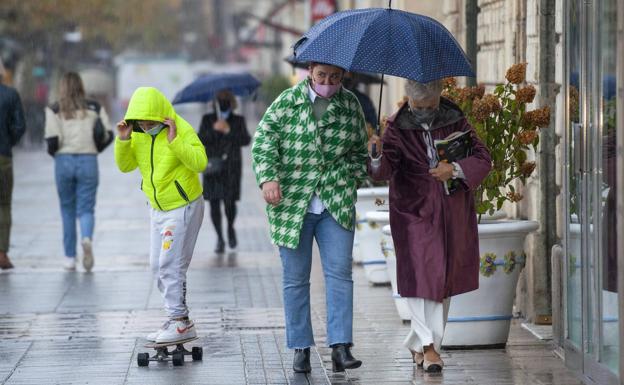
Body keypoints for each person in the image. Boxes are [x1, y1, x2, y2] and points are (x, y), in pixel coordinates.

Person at [368, 79, 491, 373]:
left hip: (452, 211)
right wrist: (376, 153)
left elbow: (483, 158)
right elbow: (384, 171)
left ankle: (420, 342)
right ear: (408, 101)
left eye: (430, 107)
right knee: (418, 277)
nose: (424, 112)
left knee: (442, 280)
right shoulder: (396, 127)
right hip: (413, 211)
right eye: (418, 107)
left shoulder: (455, 118)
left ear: (439, 100)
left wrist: (455, 169)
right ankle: (429, 347)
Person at [252, 62, 368, 373]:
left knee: (340, 275)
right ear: (309, 71)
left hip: (336, 202)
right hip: (292, 203)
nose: (328, 82)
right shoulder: (287, 103)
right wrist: (268, 178)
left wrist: (357, 171)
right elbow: (263, 142)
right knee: (295, 280)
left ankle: (341, 346)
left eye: (335, 77)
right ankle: (300, 346)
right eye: (321, 76)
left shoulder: (350, 105)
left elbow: (358, 150)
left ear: (343, 77)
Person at [114, 86, 206, 344]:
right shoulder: (138, 134)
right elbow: (125, 166)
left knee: (170, 264)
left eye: (150, 121)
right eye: (141, 122)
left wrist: (175, 140)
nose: (145, 126)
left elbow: (200, 162)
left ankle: (180, 321)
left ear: (161, 116)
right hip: (157, 208)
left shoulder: (181, 128)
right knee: (158, 265)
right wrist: (123, 140)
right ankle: (176, 319)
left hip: (183, 205)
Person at [44, 72, 113, 272]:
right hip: (88, 160)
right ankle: (86, 238)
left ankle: (69, 257)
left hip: (64, 160)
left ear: (62, 87)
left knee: (67, 210)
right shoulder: (94, 107)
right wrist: (95, 149)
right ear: (81, 86)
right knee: (86, 208)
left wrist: (58, 155)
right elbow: (108, 134)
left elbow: (52, 141)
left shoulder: (54, 109)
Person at [198, 89, 251, 253]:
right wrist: (215, 129)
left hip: (231, 168)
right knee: (214, 204)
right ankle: (220, 238)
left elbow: (246, 140)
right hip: (212, 167)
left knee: (229, 203)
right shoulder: (207, 119)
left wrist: (228, 130)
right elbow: (200, 139)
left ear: (232, 101)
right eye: (220, 98)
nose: (223, 101)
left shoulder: (238, 120)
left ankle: (230, 227)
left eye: (226, 98)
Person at [0, 59, 26, 270]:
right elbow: (20, 126)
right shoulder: (10, 95)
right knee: (4, 206)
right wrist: (8, 142)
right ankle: (2, 253)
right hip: (3, 157)